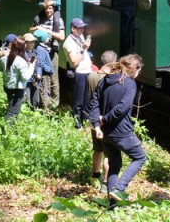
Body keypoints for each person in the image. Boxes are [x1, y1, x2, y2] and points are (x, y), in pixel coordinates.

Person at [89, 54, 147, 207]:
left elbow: (93, 104)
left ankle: (111, 205)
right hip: (122, 132)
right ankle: (119, 189)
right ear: (135, 69)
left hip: (105, 133)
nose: (138, 74)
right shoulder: (129, 84)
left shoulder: (105, 80)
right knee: (140, 157)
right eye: (139, 71)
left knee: (114, 165)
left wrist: (97, 124)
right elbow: (122, 108)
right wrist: (106, 118)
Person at [85, 50, 118, 191]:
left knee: (97, 149)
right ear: (114, 63)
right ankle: (105, 182)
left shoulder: (91, 76)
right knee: (109, 153)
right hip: (106, 121)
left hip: (93, 119)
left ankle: (95, 174)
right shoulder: (113, 79)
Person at [31, 0, 64, 111]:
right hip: (41, 52)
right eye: (46, 8)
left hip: (52, 52)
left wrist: (46, 31)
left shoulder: (58, 21)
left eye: (50, 8)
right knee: (43, 77)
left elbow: (61, 36)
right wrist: (37, 28)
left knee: (54, 79)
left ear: (53, 9)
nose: (48, 10)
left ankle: (54, 105)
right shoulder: (40, 19)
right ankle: (44, 105)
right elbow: (30, 30)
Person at [63, 17, 93, 128]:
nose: (82, 30)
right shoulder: (68, 42)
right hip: (79, 73)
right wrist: (82, 48)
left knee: (87, 100)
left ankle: (86, 123)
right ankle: (77, 125)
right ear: (73, 28)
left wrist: (85, 46)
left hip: (87, 72)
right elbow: (74, 61)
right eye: (79, 28)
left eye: (83, 28)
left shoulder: (80, 37)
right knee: (78, 101)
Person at [1, 36, 34, 123]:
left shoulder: (5, 58)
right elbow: (26, 77)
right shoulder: (21, 61)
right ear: (22, 48)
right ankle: (6, 130)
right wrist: (31, 66)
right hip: (17, 89)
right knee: (13, 111)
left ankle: (12, 126)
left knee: (11, 106)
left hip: (7, 86)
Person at [30, 30, 55, 111]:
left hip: (45, 74)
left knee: (46, 92)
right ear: (42, 39)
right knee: (45, 93)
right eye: (47, 37)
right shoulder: (40, 49)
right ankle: (45, 111)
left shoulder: (40, 48)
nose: (48, 38)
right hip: (44, 75)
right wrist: (49, 69)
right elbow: (40, 63)